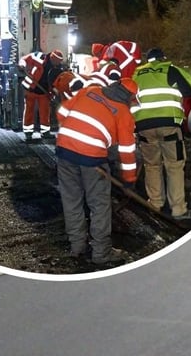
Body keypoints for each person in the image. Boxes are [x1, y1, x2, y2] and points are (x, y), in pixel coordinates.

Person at [55, 77, 140, 266]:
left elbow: (62, 113)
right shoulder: (124, 113)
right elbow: (127, 151)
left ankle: (77, 247)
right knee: (99, 205)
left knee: (71, 201)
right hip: (92, 158)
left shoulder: (90, 91)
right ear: (130, 97)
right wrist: (129, 180)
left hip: (64, 149)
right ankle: (101, 253)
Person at [131, 48, 191, 220]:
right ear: (162, 58)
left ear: (148, 60)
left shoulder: (137, 73)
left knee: (152, 165)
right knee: (174, 166)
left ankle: (155, 204)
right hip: (168, 125)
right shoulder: (171, 69)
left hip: (144, 126)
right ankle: (178, 209)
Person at [20, 49, 64, 141]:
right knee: (29, 110)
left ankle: (45, 132)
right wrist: (22, 65)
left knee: (45, 112)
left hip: (44, 93)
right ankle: (28, 133)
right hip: (31, 89)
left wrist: (54, 92)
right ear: (52, 58)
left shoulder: (57, 69)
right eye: (56, 62)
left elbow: (56, 82)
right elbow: (24, 59)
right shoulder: (38, 57)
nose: (57, 64)